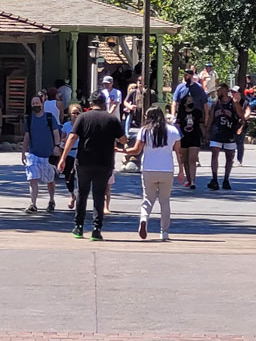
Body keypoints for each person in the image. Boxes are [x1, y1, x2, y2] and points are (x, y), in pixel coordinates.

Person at [58, 91, 127, 241]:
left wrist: (63, 157)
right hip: (104, 162)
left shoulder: (83, 117)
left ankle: (79, 227)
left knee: (81, 193)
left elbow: (72, 137)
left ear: (90, 104)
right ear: (104, 104)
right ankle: (96, 229)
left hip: (84, 161)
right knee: (99, 194)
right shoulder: (111, 119)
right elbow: (123, 139)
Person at [124, 105, 181, 241]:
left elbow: (136, 150)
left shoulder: (144, 131)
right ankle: (164, 231)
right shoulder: (173, 130)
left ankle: (144, 219)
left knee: (148, 199)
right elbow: (179, 153)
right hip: (167, 169)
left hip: (149, 169)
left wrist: (121, 150)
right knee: (165, 201)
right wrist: (181, 171)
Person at [22, 93, 61, 213]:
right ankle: (33, 204)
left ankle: (51, 200)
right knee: (32, 179)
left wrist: (57, 146)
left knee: (50, 181)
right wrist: (24, 151)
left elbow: (56, 133)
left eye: (37, 103)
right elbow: (27, 136)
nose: (35, 105)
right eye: (33, 103)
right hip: (33, 154)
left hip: (48, 155)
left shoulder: (50, 118)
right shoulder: (29, 120)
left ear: (42, 103)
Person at [206, 83, 244, 190]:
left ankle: (226, 179)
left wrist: (240, 128)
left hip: (229, 133)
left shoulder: (234, 103)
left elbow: (242, 117)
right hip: (217, 132)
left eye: (219, 90)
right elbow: (211, 119)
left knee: (229, 156)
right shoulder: (215, 103)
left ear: (224, 90)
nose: (217, 93)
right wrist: (208, 131)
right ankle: (214, 179)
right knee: (214, 154)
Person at [176, 94, 204, 189]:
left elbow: (201, 125)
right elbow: (178, 126)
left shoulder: (198, 112)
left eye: (192, 101)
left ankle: (193, 181)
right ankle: (188, 179)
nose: (191, 103)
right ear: (184, 104)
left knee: (192, 159)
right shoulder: (181, 113)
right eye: (189, 101)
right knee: (185, 160)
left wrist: (205, 135)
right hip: (183, 138)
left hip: (195, 137)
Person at [60, 103, 82, 209]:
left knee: (80, 177)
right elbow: (61, 139)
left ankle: (79, 198)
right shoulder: (66, 126)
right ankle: (72, 194)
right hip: (69, 153)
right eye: (73, 113)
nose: (75, 115)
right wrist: (66, 140)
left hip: (80, 153)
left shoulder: (83, 125)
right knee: (68, 177)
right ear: (70, 114)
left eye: (78, 113)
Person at [230, 86, 252, 165]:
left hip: (241, 125)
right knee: (231, 142)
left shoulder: (244, 102)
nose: (233, 94)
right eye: (232, 92)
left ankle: (239, 160)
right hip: (232, 124)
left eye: (234, 92)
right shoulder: (230, 102)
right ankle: (230, 159)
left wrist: (243, 118)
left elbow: (248, 111)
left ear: (239, 93)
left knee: (240, 143)